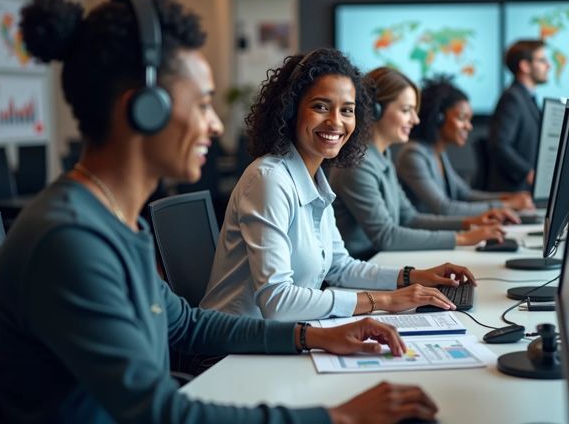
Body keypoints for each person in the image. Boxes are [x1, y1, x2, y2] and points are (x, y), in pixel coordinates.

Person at [0, 0, 439, 424]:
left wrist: (313, 335)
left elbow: (185, 325)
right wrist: (337, 417)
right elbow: (159, 413)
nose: (214, 123)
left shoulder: (115, 222)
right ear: (145, 110)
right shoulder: (70, 241)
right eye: (203, 103)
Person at [202, 49, 477, 323]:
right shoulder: (269, 179)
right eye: (320, 106)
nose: (336, 121)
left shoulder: (316, 178)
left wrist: (413, 276)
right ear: (291, 109)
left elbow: (339, 267)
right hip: (233, 350)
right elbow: (277, 301)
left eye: (347, 110)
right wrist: (384, 301)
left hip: (282, 336)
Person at [328, 67, 506, 261]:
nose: (415, 119)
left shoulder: (381, 157)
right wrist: (462, 238)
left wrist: (470, 223)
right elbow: (386, 236)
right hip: (361, 268)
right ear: (375, 110)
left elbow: (409, 218)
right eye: (406, 110)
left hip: (379, 260)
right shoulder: (358, 165)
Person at [396, 74, 534, 216]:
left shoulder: (437, 152)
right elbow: (444, 208)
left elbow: (464, 194)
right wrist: (506, 205)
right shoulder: (413, 154)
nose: (469, 127)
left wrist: (508, 197)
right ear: (439, 118)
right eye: (462, 118)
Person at [488, 39, 551, 192]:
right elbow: (499, 144)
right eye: (542, 60)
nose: (548, 65)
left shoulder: (527, 98)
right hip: (514, 191)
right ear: (525, 66)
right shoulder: (513, 98)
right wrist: (528, 173)